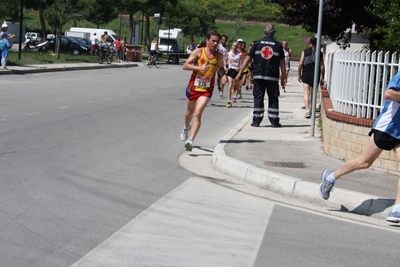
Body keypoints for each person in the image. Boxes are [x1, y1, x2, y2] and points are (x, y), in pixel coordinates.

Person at [319, 71, 400, 223]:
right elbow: (388, 94)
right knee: (364, 162)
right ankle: (330, 177)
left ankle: (397, 209)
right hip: (387, 128)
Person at [180, 30, 227, 151]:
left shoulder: (219, 56)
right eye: (213, 41)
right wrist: (199, 67)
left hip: (207, 89)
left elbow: (221, 68)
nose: (216, 44)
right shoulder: (198, 52)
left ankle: (191, 141)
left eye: (217, 41)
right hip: (194, 86)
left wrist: (224, 75)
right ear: (207, 41)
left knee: (198, 113)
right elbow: (185, 65)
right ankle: (186, 127)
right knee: (189, 113)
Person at [236, 23, 285, 128]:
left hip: (258, 75)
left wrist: (240, 72)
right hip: (272, 75)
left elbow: (248, 58)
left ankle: (256, 121)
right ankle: (274, 121)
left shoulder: (257, 44)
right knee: (273, 98)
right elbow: (282, 63)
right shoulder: (278, 45)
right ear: (274, 32)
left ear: (264, 32)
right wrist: (283, 78)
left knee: (258, 97)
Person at [298, 36, 325, 118]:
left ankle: (307, 111)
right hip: (315, 75)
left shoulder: (305, 51)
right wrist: (322, 77)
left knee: (306, 93)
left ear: (310, 43)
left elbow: (301, 63)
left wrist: (299, 73)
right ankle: (312, 110)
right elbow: (322, 66)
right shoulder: (320, 53)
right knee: (313, 94)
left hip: (306, 74)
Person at [225, 41, 244, 108]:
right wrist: (225, 67)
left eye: (236, 46)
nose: (234, 47)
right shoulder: (228, 53)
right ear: (232, 46)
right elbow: (225, 60)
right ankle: (229, 101)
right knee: (230, 85)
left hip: (237, 71)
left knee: (237, 86)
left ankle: (235, 95)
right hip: (230, 70)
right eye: (233, 45)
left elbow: (244, 63)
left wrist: (240, 68)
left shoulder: (240, 54)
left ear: (238, 46)